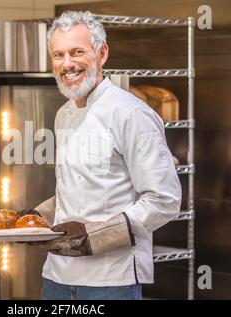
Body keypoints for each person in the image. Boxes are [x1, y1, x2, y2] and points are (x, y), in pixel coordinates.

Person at [26, 10, 182, 300]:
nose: (67, 64)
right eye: (58, 55)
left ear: (102, 53)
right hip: (56, 277)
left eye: (77, 52)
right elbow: (83, 185)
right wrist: (37, 217)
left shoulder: (131, 114)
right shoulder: (64, 114)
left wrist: (94, 236)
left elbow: (165, 200)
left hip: (111, 281)